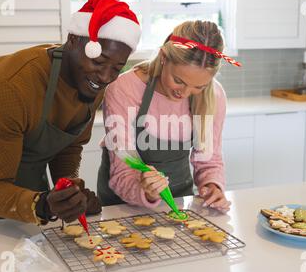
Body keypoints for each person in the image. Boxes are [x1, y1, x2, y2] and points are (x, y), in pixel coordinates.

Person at [0, 0, 141, 226]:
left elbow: (69, 147)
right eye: (98, 61)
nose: (106, 77)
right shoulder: (13, 85)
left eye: (116, 68)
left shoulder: (92, 81)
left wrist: (71, 190)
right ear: (73, 40)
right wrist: (42, 205)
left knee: (31, 254)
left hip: (30, 172)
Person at [97, 20, 241, 213]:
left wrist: (212, 186)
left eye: (199, 86)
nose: (185, 93)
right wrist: (147, 190)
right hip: (122, 208)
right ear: (164, 57)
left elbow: (208, 159)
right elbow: (122, 170)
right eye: (179, 81)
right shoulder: (125, 89)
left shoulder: (214, 95)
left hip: (179, 205)